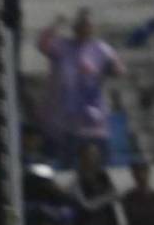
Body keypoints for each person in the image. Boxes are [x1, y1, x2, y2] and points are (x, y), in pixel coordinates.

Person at [37, 9, 124, 168]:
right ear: (75, 28)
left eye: (87, 25)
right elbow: (43, 45)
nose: (84, 29)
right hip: (69, 120)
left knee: (100, 164)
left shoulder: (101, 49)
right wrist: (55, 24)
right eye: (81, 25)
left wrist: (107, 69)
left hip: (95, 119)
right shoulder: (63, 46)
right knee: (69, 164)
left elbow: (118, 69)